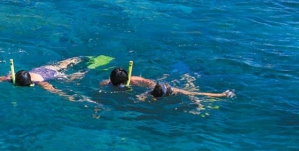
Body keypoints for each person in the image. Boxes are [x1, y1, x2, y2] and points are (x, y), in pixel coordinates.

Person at [0, 57, 93, 102]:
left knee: (69, 79)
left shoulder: (40, 82)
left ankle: (84, 71)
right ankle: (78, 58)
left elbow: (54, 90)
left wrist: (67, 97)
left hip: (50, 74)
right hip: (44, 68)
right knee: (61, 65)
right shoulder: (9, 78)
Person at [99, 66, 234, 99]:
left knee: (186, 92)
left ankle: (220, 95)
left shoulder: (136, 80)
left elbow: (151, 83)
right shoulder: (106, 84)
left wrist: (153, 92)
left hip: (159, 88)